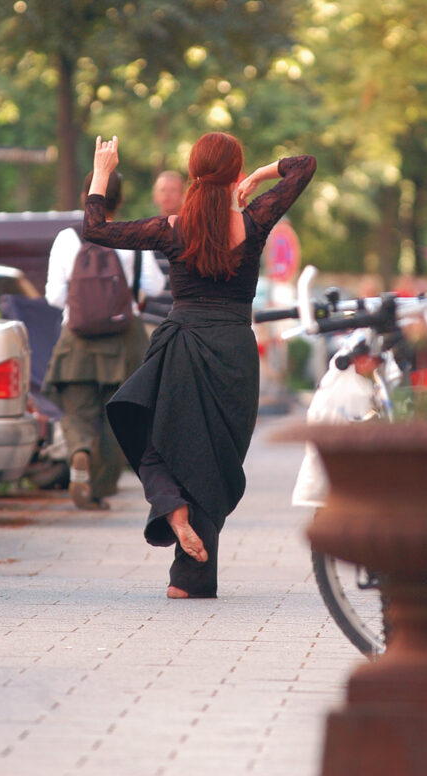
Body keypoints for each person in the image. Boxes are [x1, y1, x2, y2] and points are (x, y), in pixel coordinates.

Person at [82, 132, 316, 597]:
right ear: (233, 173)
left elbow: (96, 230)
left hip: (181, 346)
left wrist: (103, 174)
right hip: (234, 352)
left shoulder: (171, 227)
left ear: (192, 172)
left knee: (153, 437)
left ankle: (172, 508)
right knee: (214, 461)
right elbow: (303, 165)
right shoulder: (255, 221)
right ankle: (187, 580)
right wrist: (257, 176)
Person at [43, 170, 165, 510]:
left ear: (87, 195)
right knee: (118, 417)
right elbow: (154, 288)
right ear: (121, 200)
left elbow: (54, 295)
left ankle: (79, 449)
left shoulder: (68, 238)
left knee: (76, 407)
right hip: (125, 341)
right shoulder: (131, 238)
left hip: (77, 339)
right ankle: (98, 488)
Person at [140, 170, 186, 332]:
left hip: (185, 321)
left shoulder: (194, 231)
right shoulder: (147, 231)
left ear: (182, 194)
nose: (168, 195)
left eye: (173, 190)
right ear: (155, 196)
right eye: (162, 190)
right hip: (152, 320)